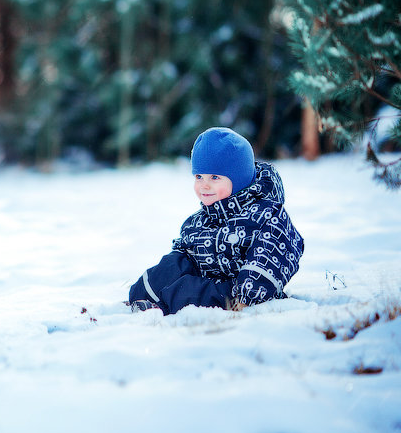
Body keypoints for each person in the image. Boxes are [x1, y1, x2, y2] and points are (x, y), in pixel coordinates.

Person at [127, 127, 304, 314]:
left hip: (236, 293)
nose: (204, 185)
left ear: (239, 180)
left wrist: (247, 294)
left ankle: (163, 304)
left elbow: (272, 254)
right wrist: (163, 274)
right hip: (207, 279)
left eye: (214, 177)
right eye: (198, 176)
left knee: (187, 292)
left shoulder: (266, 215)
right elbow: (187, 252)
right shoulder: (205, 217)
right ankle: (144, 297)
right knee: (166, 270)